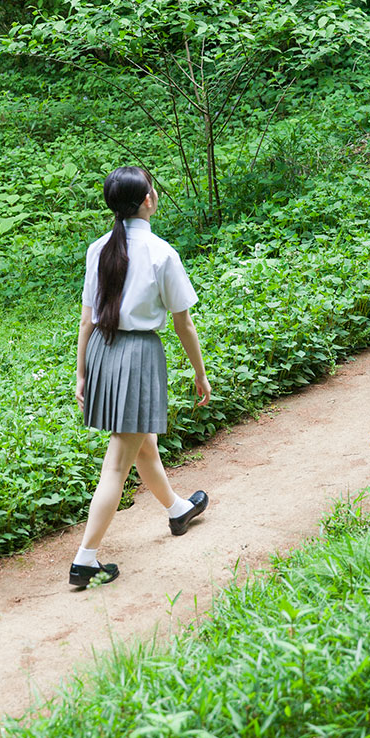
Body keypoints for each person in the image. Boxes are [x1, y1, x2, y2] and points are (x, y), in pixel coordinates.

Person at [70, 166, 212, 589]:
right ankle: (85, 559)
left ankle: (177, 508)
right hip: (137, 354)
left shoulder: (100, 248)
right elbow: (184, 324)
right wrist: (200, 374)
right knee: (116, 463)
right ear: (148, 200)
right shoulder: (161, 252)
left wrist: (81, 372)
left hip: (102, 351)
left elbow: (86, 320)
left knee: (142, 441)